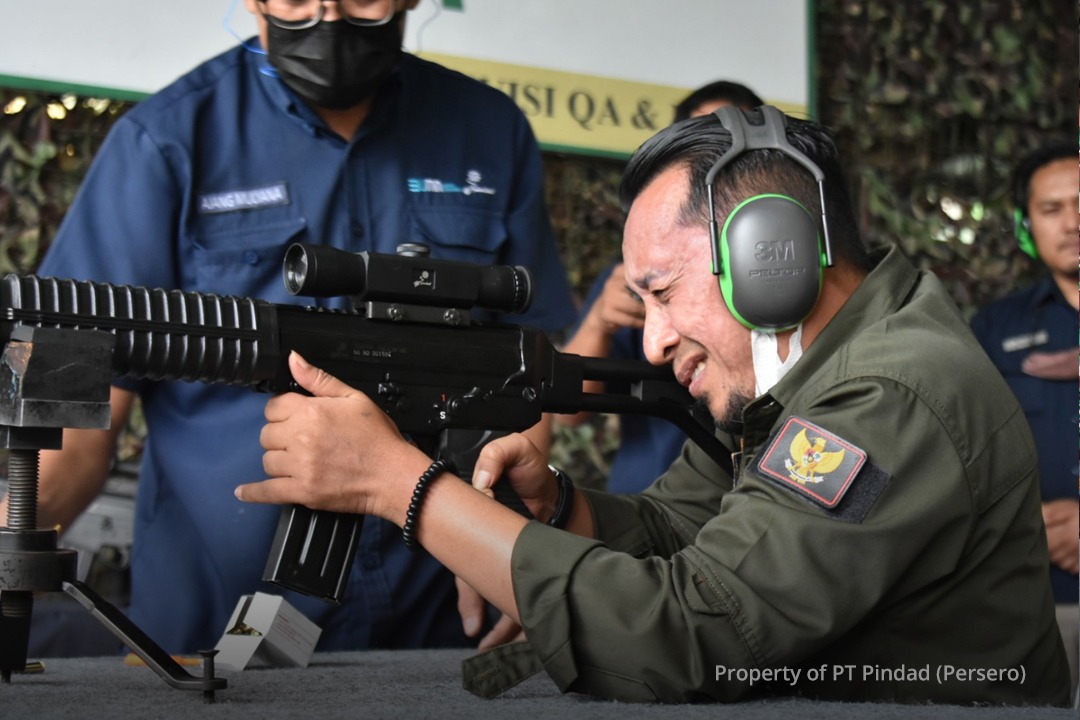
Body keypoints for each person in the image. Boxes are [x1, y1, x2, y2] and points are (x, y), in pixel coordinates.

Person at [235, 106, 1071, 705]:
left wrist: (399, 487)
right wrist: (560, 506)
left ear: (771, 256)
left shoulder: (885, 393)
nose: (653, 340)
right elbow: (684, 536)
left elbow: (696, 635)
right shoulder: (802, 373)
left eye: (664, 292)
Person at [1, 0, 575, 656]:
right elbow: (66, 426)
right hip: (208, 632)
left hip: (443, 626)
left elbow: (523, 380)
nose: (327, 18)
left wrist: (517, 560)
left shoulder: (490, 131)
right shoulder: (165, 141)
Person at [558, 80, 763, 493]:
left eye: (724, 142)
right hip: (652, 497)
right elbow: (569, 409)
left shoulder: (781, 266)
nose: (660, 343)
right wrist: (600, 321)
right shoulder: (635, 279)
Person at [970, 139, 1079, 700]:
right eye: (1052, 209)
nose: (1073, 223)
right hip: (1038, 598)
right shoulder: (994, 328)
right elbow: (963, 454)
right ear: (1026, 227)